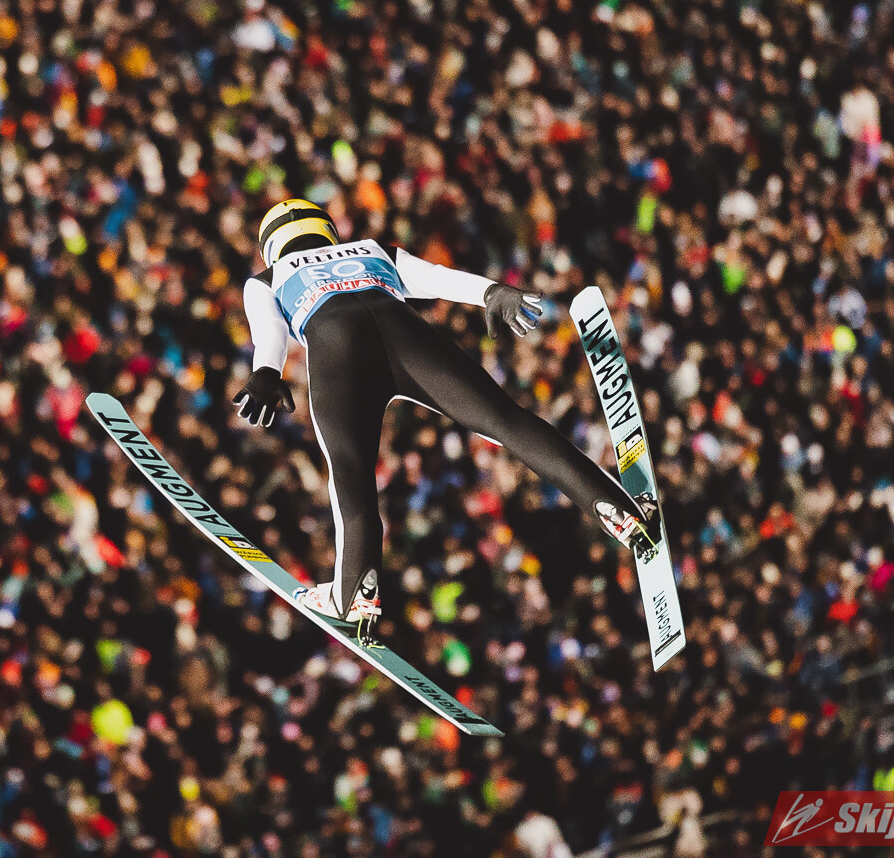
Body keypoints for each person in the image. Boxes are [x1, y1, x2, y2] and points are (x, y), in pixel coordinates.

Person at [234, 199, 654, 632]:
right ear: (326, 229)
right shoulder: (371, 248)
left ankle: (356, 590)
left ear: (271, 247)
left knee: (350, 470)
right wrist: (492, 292)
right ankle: (617, 509)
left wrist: (266, 372)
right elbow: (436, 278)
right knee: (507, 422)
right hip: (406, 336)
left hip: (338, 348)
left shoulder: (266, 279)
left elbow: (270, 331)